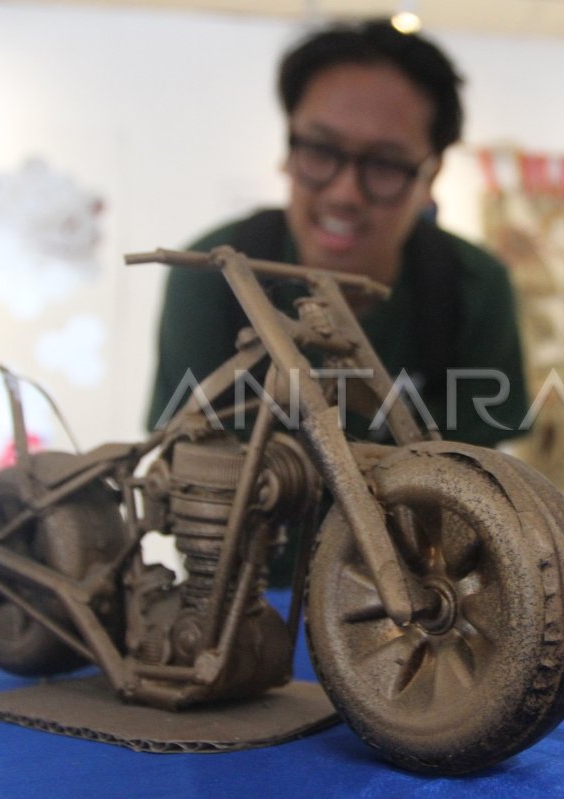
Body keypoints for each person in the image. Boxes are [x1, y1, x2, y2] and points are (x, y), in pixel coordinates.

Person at [147, 19, 531, 584]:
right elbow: (189, 470)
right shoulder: (212, 276)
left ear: (431, 176)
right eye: (321, 151)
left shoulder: (473, 288)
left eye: (384, 165)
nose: (345, 193)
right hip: (250, 599)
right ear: (288, 148)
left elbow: (475, 494)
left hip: (417, 602)